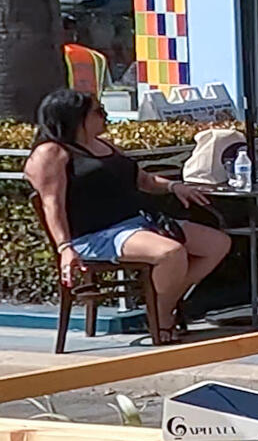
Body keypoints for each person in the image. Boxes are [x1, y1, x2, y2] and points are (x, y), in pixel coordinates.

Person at [24, 90, 230, 346]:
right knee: (170, 253)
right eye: (98, 111)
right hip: (97, 233)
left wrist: (173, 187)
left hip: (138, 222)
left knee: (217, 243)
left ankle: (160, 303)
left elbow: (142, 180)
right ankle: (162, 316)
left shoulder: (104, 145)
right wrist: (65, 247)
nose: (105, 116)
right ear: (76, 117)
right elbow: (51, 204)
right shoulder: (52, 153)